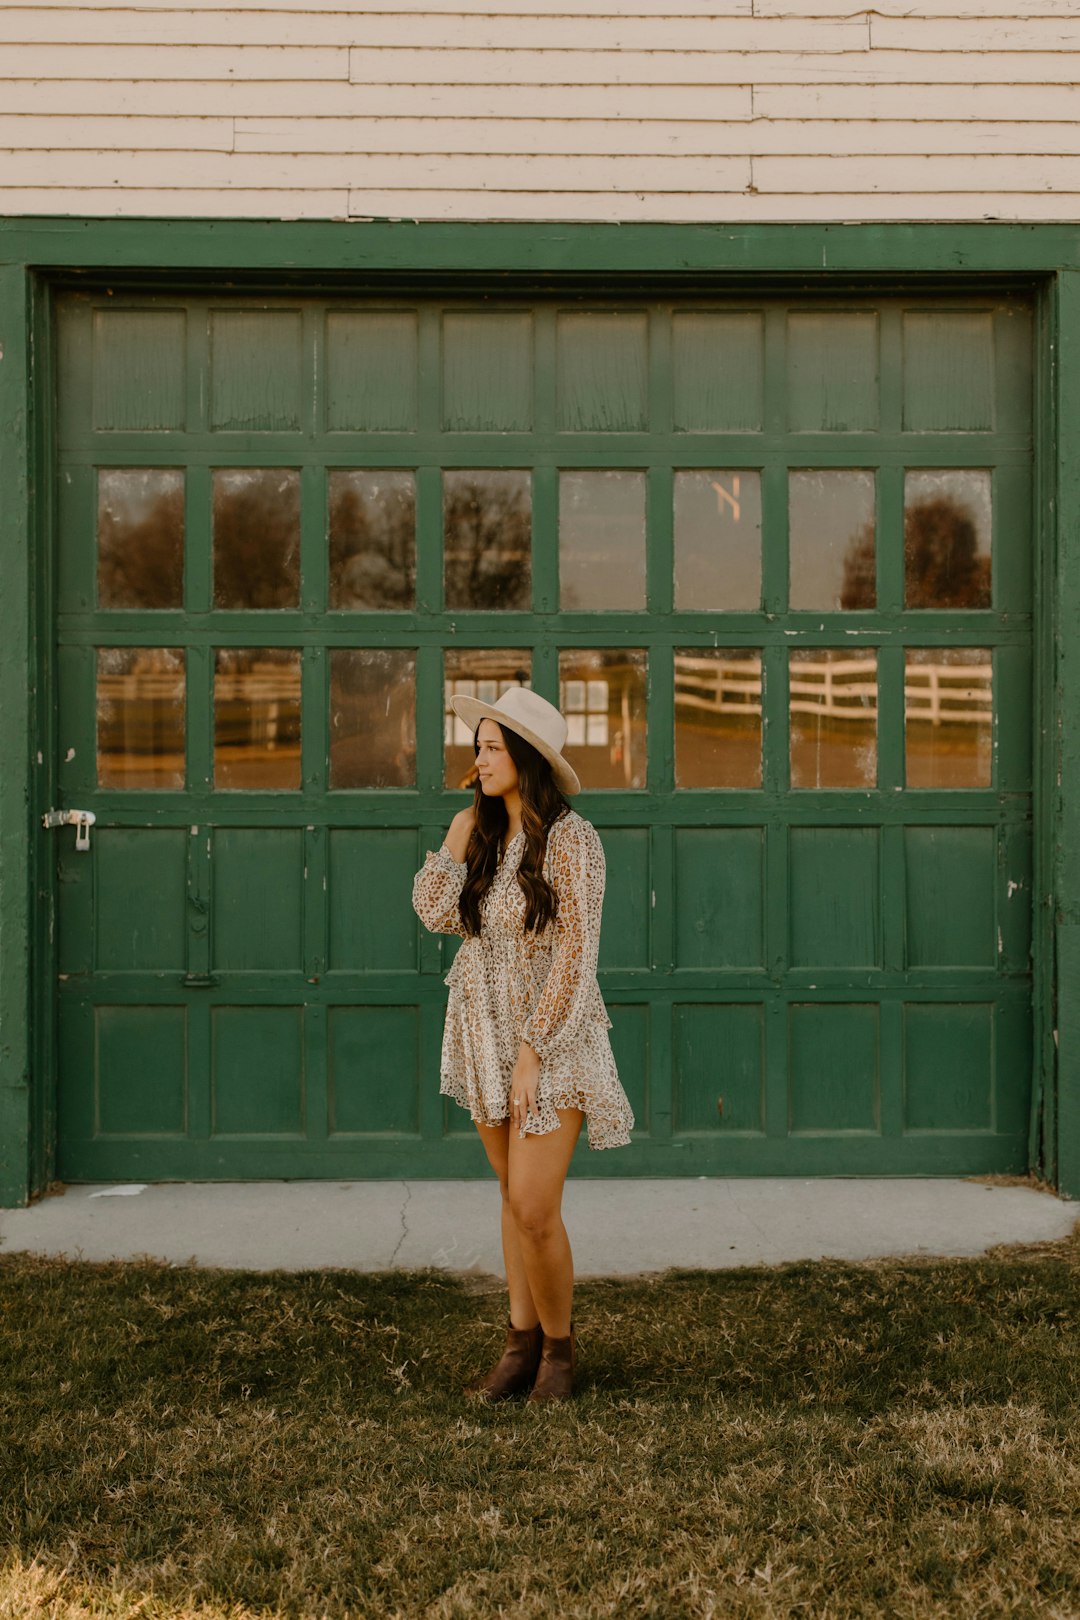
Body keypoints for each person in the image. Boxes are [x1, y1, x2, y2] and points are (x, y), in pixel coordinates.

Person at [412, 686, 634, 1403]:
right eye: (476, 747)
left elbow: (577, 956)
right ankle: (519, 1350)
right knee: (511, 1197)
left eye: (492, 748)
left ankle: (559, 1358)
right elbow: (435, 913)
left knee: (535, 1206)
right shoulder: (480, 835)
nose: (477, 760)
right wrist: (455, 834)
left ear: (527, 758)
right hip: (484, 1031)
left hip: (552, 1040)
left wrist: (535, 1050)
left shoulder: (574, 841)